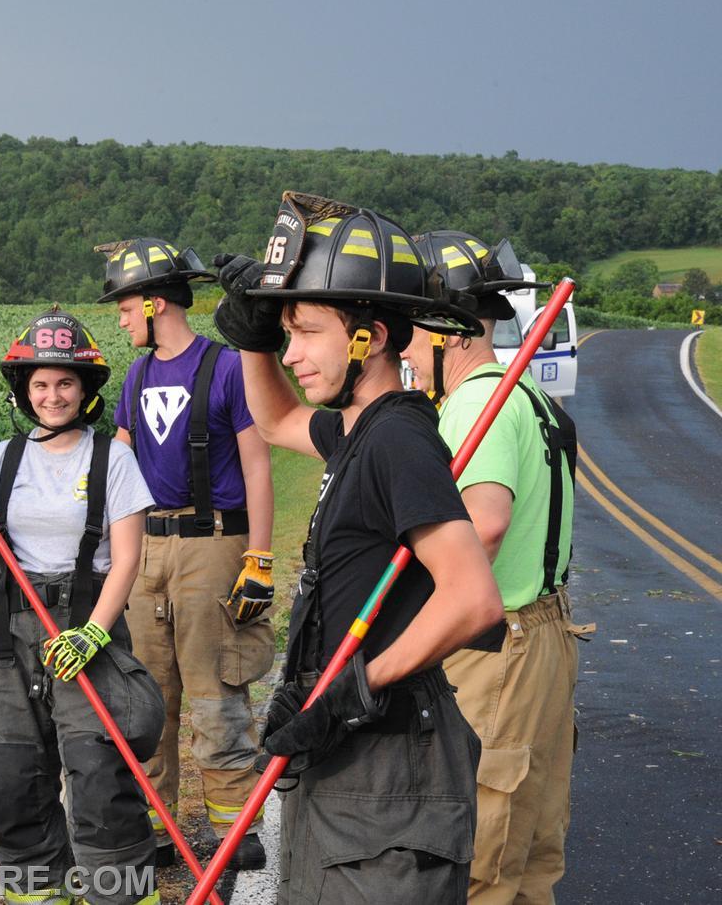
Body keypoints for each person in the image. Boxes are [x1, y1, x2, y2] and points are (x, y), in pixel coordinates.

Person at [213, 191, 505, 903]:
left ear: (366, 338)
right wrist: (252, 337)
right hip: (350, 757)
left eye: (307, 331)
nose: (295, 353)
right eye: (288, 333)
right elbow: (278, 416)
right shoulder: (355, 434)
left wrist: (352, 691)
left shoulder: (398, 441)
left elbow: (473, 600)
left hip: (391, 765)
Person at [0, 309, 165, 905]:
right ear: (24, 391)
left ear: (86, 390)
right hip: (12, 636)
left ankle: (123, 895)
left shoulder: (112, 459)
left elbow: (129, 558)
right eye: (40, 383)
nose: (52, 395)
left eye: (65, 382)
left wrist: (92, 633)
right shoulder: (4, 459)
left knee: (98, 780)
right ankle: (40, 893)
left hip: (87, 625)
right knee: (12, 784)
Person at [403, 231, 593, 904]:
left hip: (497, 649)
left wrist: (406, 644)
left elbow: (483, 529)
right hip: (545, 637)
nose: (401, 346)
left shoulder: (476, 404)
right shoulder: (530, 398)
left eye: (410, 328)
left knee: (480, 852)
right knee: (531, 848)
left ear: (449, 333)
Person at [93, 237, 276, 870]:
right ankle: (157, 826)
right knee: (150, 695)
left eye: (123, 307)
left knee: (215, 690)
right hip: (146, 550)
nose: (118, 320)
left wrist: (259, 559)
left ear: (156, 304)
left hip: (214, 547)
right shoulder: (137, 375)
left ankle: (235, 828)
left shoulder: (225, 367)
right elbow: (118, 460)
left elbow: (257, 464)